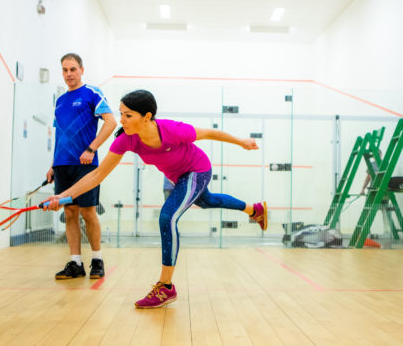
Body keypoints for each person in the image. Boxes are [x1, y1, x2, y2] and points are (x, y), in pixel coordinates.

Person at [43, 89, 267, 308]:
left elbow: (210, 133)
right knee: (206, 200)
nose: (122, 120)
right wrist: (62, 196)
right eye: (121, 114)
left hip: (197, 169)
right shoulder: (126, 140)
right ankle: (254, 210)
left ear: (147, 117)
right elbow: (97, 174)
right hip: (177, 177)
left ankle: (166, 286)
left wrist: (241, 142)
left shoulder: (173, 130)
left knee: (167, 217)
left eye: (128, 115)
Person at [47, 53, 117, 280]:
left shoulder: (92, 94)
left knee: (88, 213)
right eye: (65, 70)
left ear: (82, 70)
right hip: (62, 165)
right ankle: (75, 263)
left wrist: (92, 148)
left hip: (85, 165)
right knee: (69, 213)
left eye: (73, 69)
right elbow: (60, 135)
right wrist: (52, 165)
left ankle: (97, 259)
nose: (69, 74)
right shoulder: (59, 101)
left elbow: (111, 122)